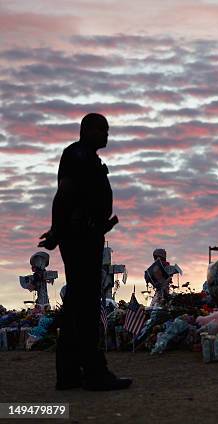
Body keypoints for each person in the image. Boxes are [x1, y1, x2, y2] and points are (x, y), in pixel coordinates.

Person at [38, 113, 132, 391]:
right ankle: (94, 372)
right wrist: (57, 231)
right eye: (102, 130)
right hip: (81, 239)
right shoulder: (77, 155)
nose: (106, 135)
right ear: (88, 130)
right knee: (87, 306)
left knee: (76, 307)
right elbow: (63, 194)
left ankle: (68, 374)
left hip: (84, 236)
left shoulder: (86, 157)